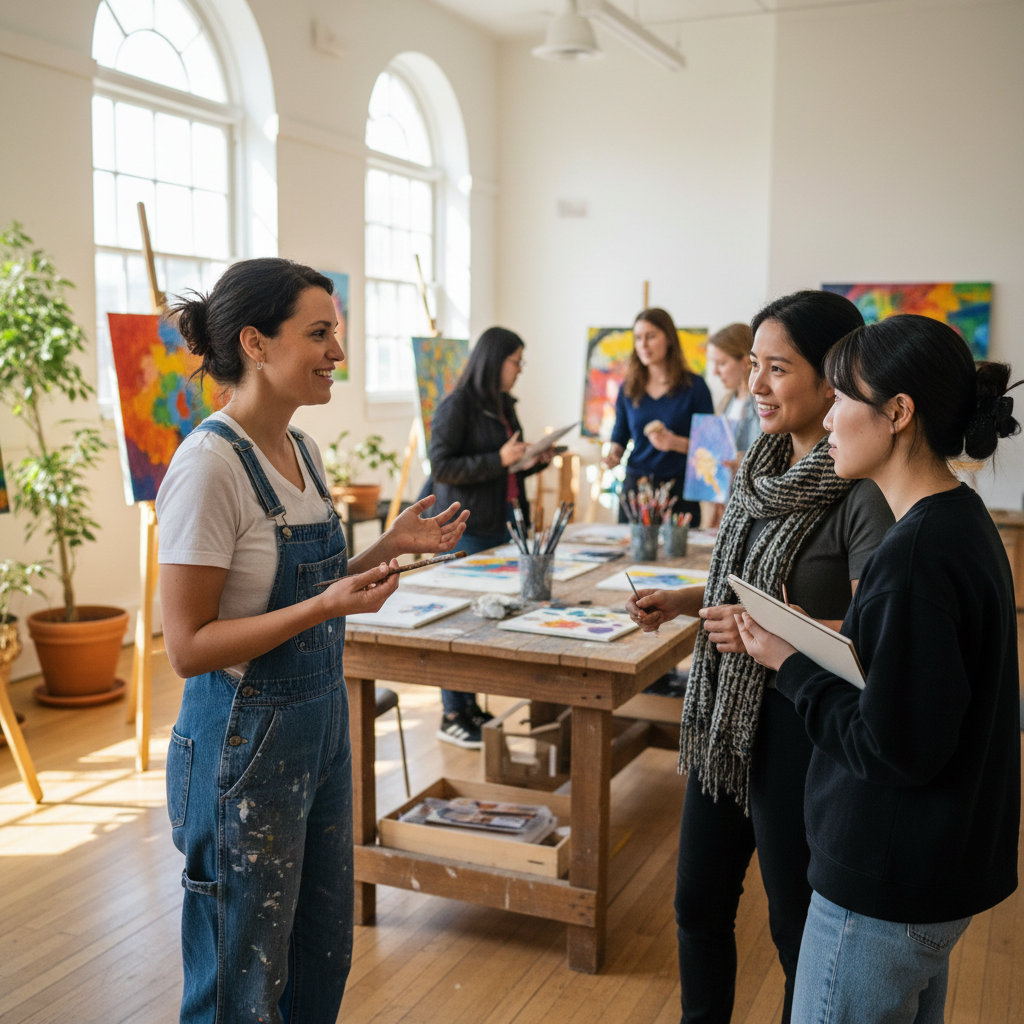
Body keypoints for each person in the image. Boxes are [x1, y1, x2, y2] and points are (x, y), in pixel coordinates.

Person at [157, 258, 468, 1024]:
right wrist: (325, 603)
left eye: (339, 332)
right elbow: (190, 646)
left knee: (318, 955)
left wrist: (383, 548)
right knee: (243, 979)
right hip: (244, 743)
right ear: (256, 343)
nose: (339, 352)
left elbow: (301, 588)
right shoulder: (209, 467)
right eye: (320, 333)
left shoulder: (304, 452)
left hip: (320, 728)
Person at [736, 314, 1021, 1024]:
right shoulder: (960, 520)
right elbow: (917, 692)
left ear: (897, 413)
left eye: (841, 399)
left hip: (883, 889)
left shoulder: (913, 556)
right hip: (931, 874)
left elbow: (891, 746)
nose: (828, 419)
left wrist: (788, 660)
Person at [625, 290, 895, 1024]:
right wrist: (687, 600)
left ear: (834, 378)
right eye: (753, 366)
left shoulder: (861, 490)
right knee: (696, 906)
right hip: (724, 719)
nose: (756, 385)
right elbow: (742, 581)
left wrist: (781, 630)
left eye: (778, 368)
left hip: (800, 728)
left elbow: (877, 637)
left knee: (793, 922)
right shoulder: (757, 467)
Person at [429, 326, 549, 748]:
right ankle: (452, 712)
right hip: (466, 524)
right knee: (460, 619)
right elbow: (442, 466)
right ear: (494, 360)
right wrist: (497, 458)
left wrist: (534, 459)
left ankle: (470, 705)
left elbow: (506, 467)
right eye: (516, 361)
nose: (519, 370)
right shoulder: (457, 405)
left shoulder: (503, 405)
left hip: (503, 520)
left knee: (486, 615)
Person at [602, 308, 714, 527]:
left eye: (650, 336)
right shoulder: (628, 388)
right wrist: (614, 455)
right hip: (637, 489)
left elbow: (711, 447)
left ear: (669, 339)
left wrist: (675, 443)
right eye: (638, 338)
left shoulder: (695, 387)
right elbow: (620, 435)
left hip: (679, 489)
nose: (643, 344)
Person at [705, 322, 761, 528]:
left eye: (721, 363)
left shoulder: (760, 404)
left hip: (754, 505)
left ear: (746, 362)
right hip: (728, 505)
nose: (716, 372)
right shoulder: (725, 403)